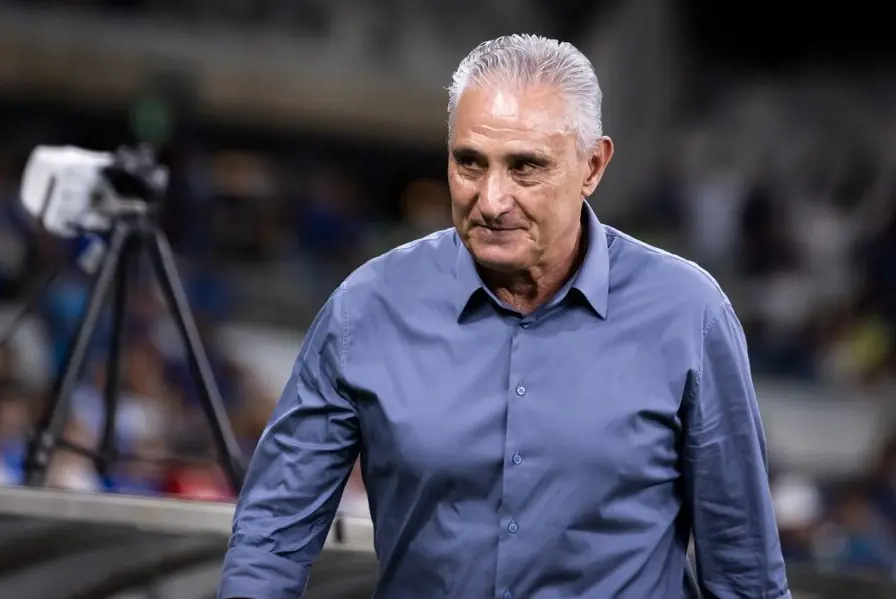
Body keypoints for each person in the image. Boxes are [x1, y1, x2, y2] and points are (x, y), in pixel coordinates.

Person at [218, 34, 790, 599]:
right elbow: (271, 536)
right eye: (469, 163)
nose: (491, 200)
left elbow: (744, 573)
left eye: (525, 167)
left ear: (593, 165)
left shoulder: (688, 314)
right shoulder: (366, 308)